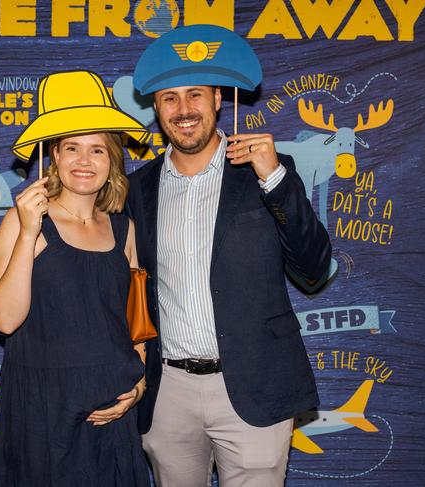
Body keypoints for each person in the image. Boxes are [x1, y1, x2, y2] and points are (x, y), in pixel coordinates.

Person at [126, 25, 332, 486]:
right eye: (170, 98)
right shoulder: (137, 189)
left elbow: (314, 267)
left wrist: (274, 176)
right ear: (156, 108)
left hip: (255, 383)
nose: (183, 111)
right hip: (168, 391)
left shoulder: (266, 171)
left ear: (219, 99)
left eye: (195, 95)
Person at [0, 70, 151, 486]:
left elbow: (137, 324)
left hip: (112, 412)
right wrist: (28, 231)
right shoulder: (23, 223)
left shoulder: (123, 230)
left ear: (112, 159)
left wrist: (140, 384)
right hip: (44, 412)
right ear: (53, 157)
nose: (83, 160)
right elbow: (5, 319)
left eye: (97, 149)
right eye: (71, 148)